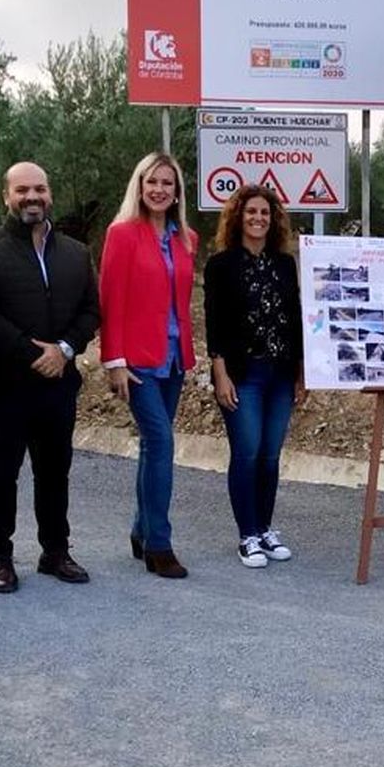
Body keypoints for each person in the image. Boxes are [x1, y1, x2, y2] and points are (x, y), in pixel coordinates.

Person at [0, 161, 100, 594]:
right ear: (6, 196)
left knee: (54, 471)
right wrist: (33, 353)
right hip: (3, 384)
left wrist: (65, 351)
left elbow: (91, 311)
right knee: (1, 472)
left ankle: (55, 551)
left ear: (50, 194)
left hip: (59, 383)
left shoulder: (76, 253)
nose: (31, 198)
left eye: (39, 189)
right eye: (22, 190)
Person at [100, 152, 198, 579]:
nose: (159, 189)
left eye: (168, 183)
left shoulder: (186, 238)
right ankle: (159, 544)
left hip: (173, 358)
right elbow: (110, 300)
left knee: (151, 446)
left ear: (177, 191)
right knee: (161, 443)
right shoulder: (122, 234)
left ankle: (141, 530)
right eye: (151, 182)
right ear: (139, 187)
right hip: (136, 361)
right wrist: (113, 361)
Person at [204, 185, 305, 568]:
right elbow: (214, 324)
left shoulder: (284, 264)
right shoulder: (220, 265)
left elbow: (294, 319)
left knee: (269, 456)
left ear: (273, 218)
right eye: (251, 213)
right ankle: (247, 535)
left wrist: (301, 372)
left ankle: (264, 528)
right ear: (238, 217)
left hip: (280, 373)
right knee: (246, 454)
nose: (258, 219)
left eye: (265, 212)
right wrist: (220, 373)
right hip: (242, 374)